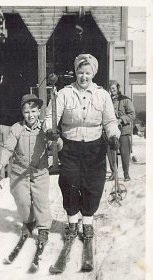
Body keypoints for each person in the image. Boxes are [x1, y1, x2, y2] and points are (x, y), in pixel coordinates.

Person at [43, 54, 120, 242]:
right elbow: (49, 117)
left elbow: (110, 121)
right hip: (70, 146)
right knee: (69, 183)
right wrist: (50, 131)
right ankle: (71, 222)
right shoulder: (64, 94)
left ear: (93, 73)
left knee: (92, 184)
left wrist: (113, 135)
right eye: (80, 72)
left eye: (87, 73)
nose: (84, 76)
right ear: (76, 72)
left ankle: (87, 223)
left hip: (95, 147)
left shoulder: (102, 94)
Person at [0, 94, 62, 247]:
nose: (30, 115)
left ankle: (44, 228)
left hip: (40, 172)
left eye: (33, 111)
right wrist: (0, 164)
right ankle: (28, 221)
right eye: (26, 112)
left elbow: (57, 146)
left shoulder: (45, 128)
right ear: (22, 113)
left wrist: (55, 139)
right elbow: (7, 148)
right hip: (20, 172)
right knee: (22, 201)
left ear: (39, 112)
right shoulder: (16, 128)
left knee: (41, 201)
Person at [107, 80, 135, 181]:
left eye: (114, 88)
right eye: (111, 89)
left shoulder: (126, 100)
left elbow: (132, 115)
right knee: (111, 153)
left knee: (125, 153)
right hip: (111, 131)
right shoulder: (108, 100)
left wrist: (121, 119)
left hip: (123, 131)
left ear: (118, 89)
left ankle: (126, 174)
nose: (112, 90)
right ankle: (114, 173)